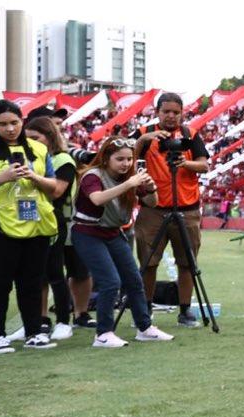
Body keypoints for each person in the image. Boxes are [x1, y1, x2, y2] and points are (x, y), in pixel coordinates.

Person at [0, 99, 67, 353]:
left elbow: (53, 188)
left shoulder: (39, 150)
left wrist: (34, 176)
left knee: (31, 281)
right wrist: (2, 178)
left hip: (35, 223)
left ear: (22, 122)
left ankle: (34, 332)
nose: (10, 128)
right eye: (3, 124)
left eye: (14, 122)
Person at [72, 138, 173, 347]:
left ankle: (144, 327)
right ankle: (103, 333)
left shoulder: (130, 178)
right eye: (120, 159)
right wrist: (130, 184)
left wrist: (151, 188)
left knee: (134, 280)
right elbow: (97, 199)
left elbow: (152, 203)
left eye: (129, 159)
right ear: (106, 158)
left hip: (113, 232)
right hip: (88, 233)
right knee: (111, 281)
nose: (126, 163)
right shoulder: (93, 175)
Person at [134, 91, 212, 325]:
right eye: (166, 111)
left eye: (176, 113)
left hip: (187, 208)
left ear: (182, 114)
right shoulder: (144, 134)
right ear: (156, 112)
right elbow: (125, 158)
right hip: (153, 208)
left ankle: (185, 309)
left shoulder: (190, 134)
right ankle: (145, 309)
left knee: (187, 262)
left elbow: (204, 165)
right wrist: (141, 142)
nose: (171, 116)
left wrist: (184, 163)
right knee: (148, 262)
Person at [24, 110, 85, 341]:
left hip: (53, 219)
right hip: (30, 219)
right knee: (33, 275)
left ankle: (62, 321)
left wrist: (31, 176)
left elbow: (57, 190)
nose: (30, 143)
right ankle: (36, 321)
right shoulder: (32, 159)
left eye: (36, 138)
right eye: (27, 138)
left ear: (50, 137)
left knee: (55, 273)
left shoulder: (62, 160)